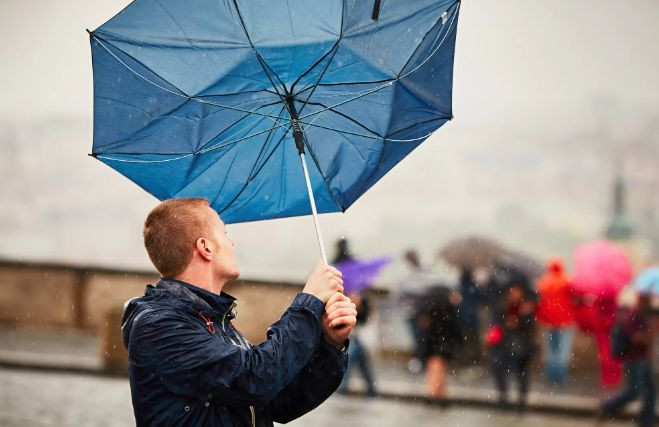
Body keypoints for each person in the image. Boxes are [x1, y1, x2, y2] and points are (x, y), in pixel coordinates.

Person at [121, 198, 357, 426]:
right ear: (205, 247)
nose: (231, 242)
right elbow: (256, 377)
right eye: (225, 233)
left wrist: (330, 344)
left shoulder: (214, 321)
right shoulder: (158, 325)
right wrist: (310, 300)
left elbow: (280, 401)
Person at [600, 293, 656, 427]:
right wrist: (652, 331)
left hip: (644, 359)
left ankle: (646, 421)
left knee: (651, 391)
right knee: (634, 392)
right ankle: (607, 406)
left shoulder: (643, 316)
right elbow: (635, 338)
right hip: (635, 359)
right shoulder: (633, 316)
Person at [488, 282, 537, 411]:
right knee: (499, 370)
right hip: (504, 344)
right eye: (513, 291)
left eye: (517, 291)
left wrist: (522, 320)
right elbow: (495, 325)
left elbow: (531, 328)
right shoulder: (502, 306)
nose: (515, 294)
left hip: (522, 345)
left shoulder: (525, 308)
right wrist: (506, 325)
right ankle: (503, 398)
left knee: (522, 372)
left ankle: (521, 401)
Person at [535, 257, 575, 387]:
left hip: (549, 322)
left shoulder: (543, 283)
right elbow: (575, 297)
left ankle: (551, 375)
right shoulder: (566, 282)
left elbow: (539, 302)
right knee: (563, 350)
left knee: (551, 350)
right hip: (565, 321)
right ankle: (562, 377)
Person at [417, 286, 462, 399]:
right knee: (437, 366)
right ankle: (436, 392)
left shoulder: (433, 308)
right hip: (440, 343)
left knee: (437, 367)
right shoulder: (445, 308)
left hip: (437, 343)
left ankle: (436, 392)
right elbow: (453, 328)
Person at [337, 291, 377, 396]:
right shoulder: (344, 300)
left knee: (350, 360)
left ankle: (343, 388)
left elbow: (365, 321)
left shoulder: (365, 302)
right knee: (362, 364)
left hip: (362, 340)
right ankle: (372, 390)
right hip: (352, 340)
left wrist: (359, 307)